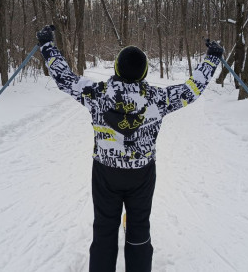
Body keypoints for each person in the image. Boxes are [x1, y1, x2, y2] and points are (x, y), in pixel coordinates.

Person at [36, 25, 223, 272]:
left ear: (116, 68)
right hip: (141, 174)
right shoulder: (158, 99)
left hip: (105, 172)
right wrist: (212, 58)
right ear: (145, 72)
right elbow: (192, 89)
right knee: (139, 228)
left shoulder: (98, 94)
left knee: (104, 228)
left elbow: (65, 78)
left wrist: (47, 45)